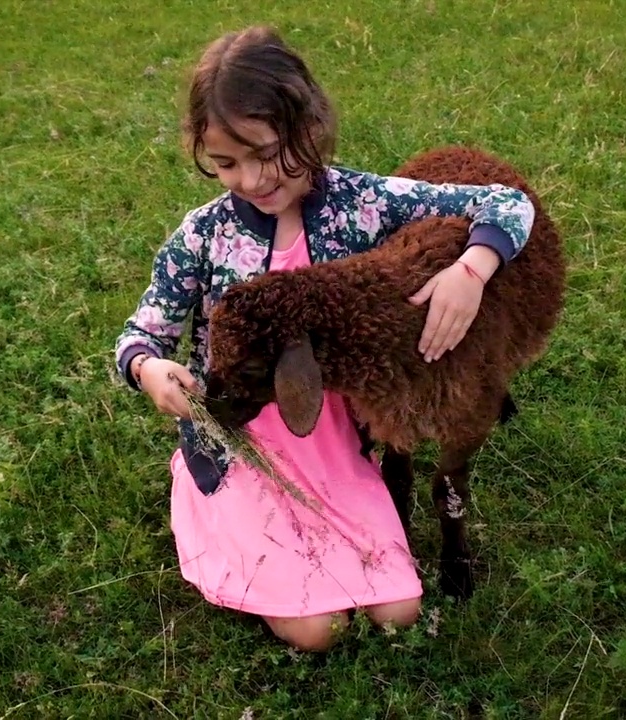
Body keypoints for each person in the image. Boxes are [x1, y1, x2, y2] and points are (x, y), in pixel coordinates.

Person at [113, 25, 536, 652]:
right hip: (245, 438)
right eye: (226, 164)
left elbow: (508, 205)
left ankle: (343, 541)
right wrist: (148, 369)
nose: (251, 179)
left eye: (265, 154)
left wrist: (473, 269)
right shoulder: (202, 236)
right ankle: (221, 520)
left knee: (399, 612)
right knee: (317, 631)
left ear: (308, 129)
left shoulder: (361, 202)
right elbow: (141, 332)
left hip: (338, 438)